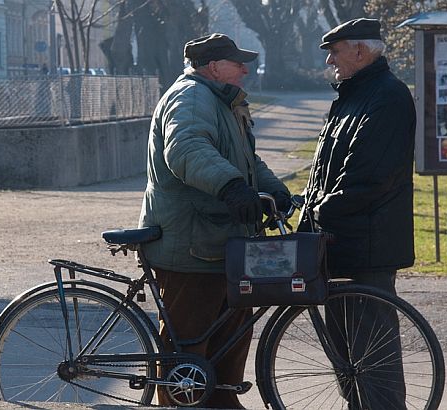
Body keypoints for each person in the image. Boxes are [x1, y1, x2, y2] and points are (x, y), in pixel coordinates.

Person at [138, 33, 290, 408]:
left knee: (233, 331)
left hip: (221, 241)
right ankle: (180, 405)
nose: (245, 68)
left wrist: (276, 192)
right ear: (212, 66)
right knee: (188, 343)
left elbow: (248, 162)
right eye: (237, 62)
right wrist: (233, 189)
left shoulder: (223, 101)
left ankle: (223, 401)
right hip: (190, 244)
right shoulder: (190, 97)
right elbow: (187, 150)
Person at [298, 18, 415, 409]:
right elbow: (325, 170)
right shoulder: (352, 95)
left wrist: (319, 209)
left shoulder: (387, 96)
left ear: (360, 51)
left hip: (367, 246)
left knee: (372, 358)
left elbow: (369, 175)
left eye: (335, 50)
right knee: (348, 357)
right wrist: (307, 208)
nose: (330, 59)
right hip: (339, 242)